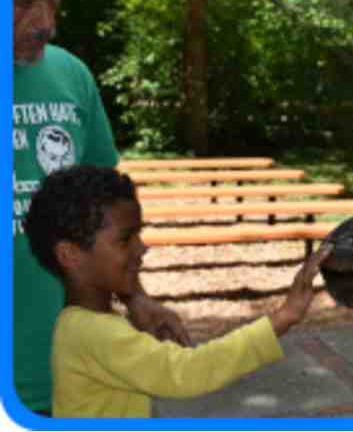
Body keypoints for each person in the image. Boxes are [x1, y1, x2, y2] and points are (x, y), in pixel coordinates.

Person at [13, 0, 190, 416]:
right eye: (24, 3)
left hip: (84, 374)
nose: (45, 23)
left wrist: (136, 298)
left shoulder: (72, 77)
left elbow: (108, 218)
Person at [22, 165, 330, 418]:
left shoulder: (82, 323)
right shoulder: (96, 333)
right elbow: (187, 372)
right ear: (70, 255)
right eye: (126, 239)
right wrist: (282, 318)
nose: (142, 247)